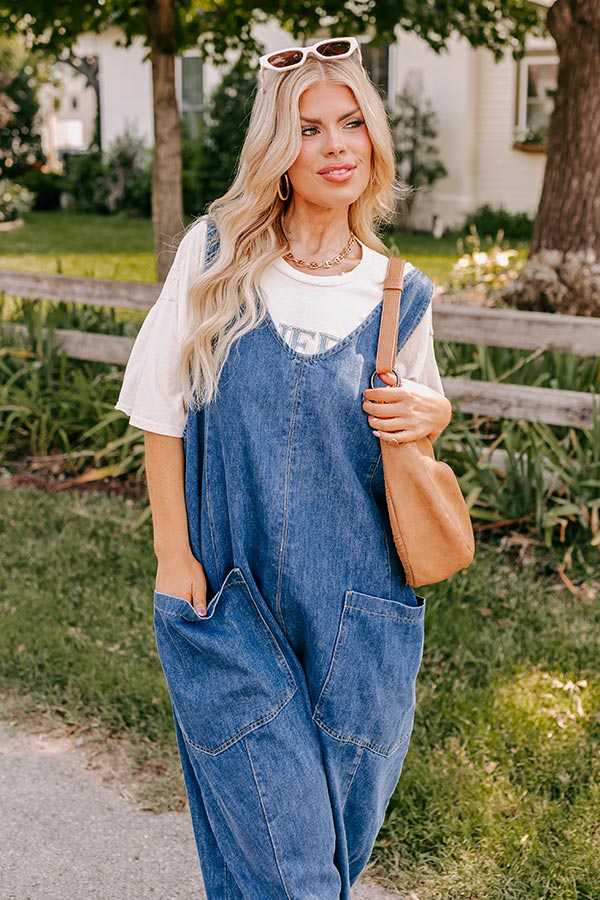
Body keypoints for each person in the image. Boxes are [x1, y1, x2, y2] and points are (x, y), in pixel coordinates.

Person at [116, 36, 452, 900]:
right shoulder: (214, 258)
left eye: (352, 123)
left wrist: (435, 414)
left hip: (361, 623)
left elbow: (415, 433)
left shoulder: (400, 293)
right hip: (229, 605)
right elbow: (158, 409)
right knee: (292, 873)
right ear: (277, 148)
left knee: (315, 867)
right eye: (309, 128)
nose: (337, 145)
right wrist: (173, 557)